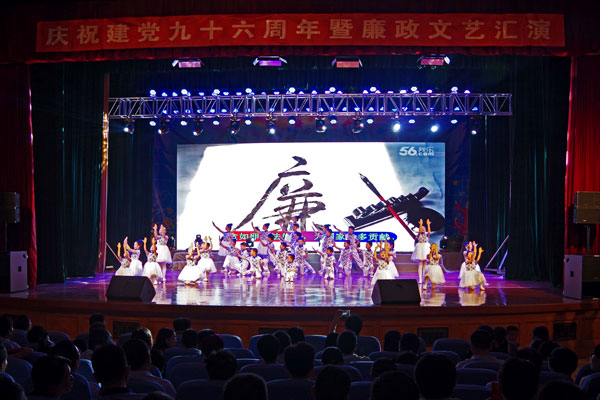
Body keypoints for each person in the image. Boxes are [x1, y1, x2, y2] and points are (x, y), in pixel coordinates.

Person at [411, 218, 431, 284]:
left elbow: (429, 232)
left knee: (425, 265)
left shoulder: (427, 235)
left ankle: (424, 278)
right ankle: (420, 279)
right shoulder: (419, 235)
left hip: (425, 249)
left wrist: (428, 224)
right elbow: (419, 231)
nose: (422, 230)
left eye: (423, 229)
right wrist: (421, 224)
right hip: (420, 249)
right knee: (420, 265)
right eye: (421, 229)